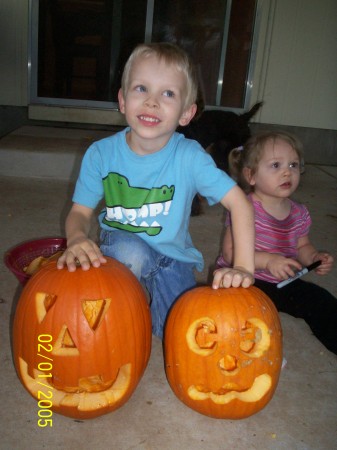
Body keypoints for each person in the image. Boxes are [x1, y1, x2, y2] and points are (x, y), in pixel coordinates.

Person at [57, 42, 255, 339]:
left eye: (168, 93)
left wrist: (243, 268)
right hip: (121, 249)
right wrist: (76, 237)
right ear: (122, 101)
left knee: (184, 335)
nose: (152, 102)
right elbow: (80, 211)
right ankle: (121, 317)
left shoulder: (190, 156)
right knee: (130, 253)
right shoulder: (100, 154)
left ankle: (149, 315)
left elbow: (240, 203)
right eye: (141, 89)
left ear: (186, 113)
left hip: (172, 258)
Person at [216, 131, 337, 355]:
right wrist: (268, 261)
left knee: (321, 301)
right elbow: (230, 253)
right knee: (237, 319)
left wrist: (314, 258)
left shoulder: (300, 212)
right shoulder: (244, 207)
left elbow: (302, 246)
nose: (286, 172)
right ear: (251, 176)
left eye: (293, 165)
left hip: (283, 282)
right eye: (275, 165)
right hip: (244, 281)